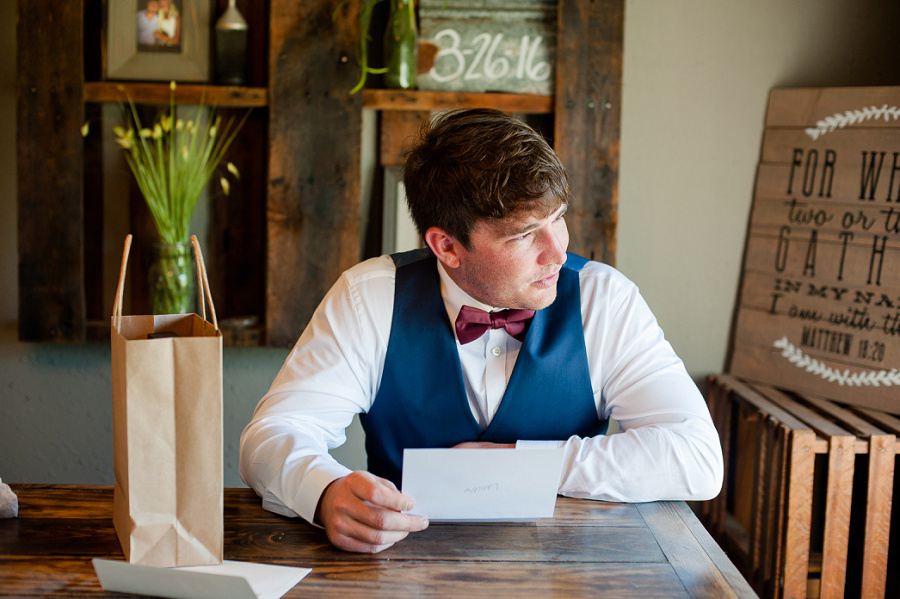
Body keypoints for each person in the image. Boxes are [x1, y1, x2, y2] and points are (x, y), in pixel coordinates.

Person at [240, 108, 723, 554]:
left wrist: (520, 462)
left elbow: (697, 458)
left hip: (570, 572)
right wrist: (323, 491)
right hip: (399, 569)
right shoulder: (369, 297)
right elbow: (270, 437)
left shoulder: (604, 300)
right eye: (523, 233)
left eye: (558, 219)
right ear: (446, 246)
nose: (557, 252)